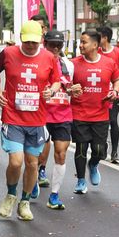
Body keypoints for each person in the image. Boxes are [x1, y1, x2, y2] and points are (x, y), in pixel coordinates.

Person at [0, 20, 61, 221]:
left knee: (32, 163)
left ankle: (25, 201)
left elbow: (56, 81)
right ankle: (11, 194)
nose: (30, 45)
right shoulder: (9, 53)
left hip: (37, 119)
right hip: (13, 116)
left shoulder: (48, 57)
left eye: (34, 42)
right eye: (27, 41)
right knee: (16, 162)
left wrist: (51, 90)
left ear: (41, 40)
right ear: (21, 38)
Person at [70, 30, 119, 194]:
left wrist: (115, 91)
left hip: (100, 114)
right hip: (79, 113)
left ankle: (93, 164)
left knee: (99, 150)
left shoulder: (109, 63)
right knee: (81, 148)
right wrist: (70, 89)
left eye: (84, 42)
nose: (80, 45)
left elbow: (118, 79)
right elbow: (64, 83)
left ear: (95, 45)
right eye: (80, 41)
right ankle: (80, 180)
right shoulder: (73, 63)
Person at [42, 30, 75, 209]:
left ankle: (54, 194)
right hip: (41, 114)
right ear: (44, 44)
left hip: (63, 114)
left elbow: (71, 87)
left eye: (59, 45)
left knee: (61, 153)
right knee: (39, 154)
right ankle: (35, 176)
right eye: (52, 45)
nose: (55, 48)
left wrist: (74, 90)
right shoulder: (38, 61)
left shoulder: (68, 64)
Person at [97, 26, 119, 163]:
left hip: (114, 93)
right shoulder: (96, 52)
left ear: (105, 38)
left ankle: (114, 151)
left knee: (113, 120)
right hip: (99, 93)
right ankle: (103, 145)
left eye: (98, 37)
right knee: (101, 122)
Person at [30, 14, 51, 190]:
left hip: (50, 104)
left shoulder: (51, 48)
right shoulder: (25, 48)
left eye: (41, 27)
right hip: (28, 105)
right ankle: (32, 170)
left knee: (46, 137)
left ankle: (41, 169)